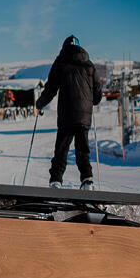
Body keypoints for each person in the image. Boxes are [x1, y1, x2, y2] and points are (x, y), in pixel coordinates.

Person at [37, 34, 100, 190]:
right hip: (84, 116)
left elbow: (51, 87)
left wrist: (40, 103)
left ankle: (56, 181)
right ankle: (87, 180)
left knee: (62, 150)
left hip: (67, 115)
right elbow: (98, 93)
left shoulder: (61, 61)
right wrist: (92, 101)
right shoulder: (89, 65)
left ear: (64, 47)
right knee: (82, 150)